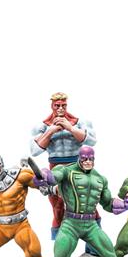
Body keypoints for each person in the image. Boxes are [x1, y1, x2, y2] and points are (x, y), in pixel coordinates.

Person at [30, 93, 98, 248]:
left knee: (88, 204)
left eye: (63, 105)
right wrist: (50, 131)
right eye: (57, 105)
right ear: (52, 106)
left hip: (78, 166)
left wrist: (70, 128)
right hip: (55, 167)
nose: (60, 108)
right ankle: (61, 250)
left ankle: (93, 248)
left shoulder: (79, 122)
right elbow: (34, 151)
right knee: (57, 207)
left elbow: (92, 141)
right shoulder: (42, 126)